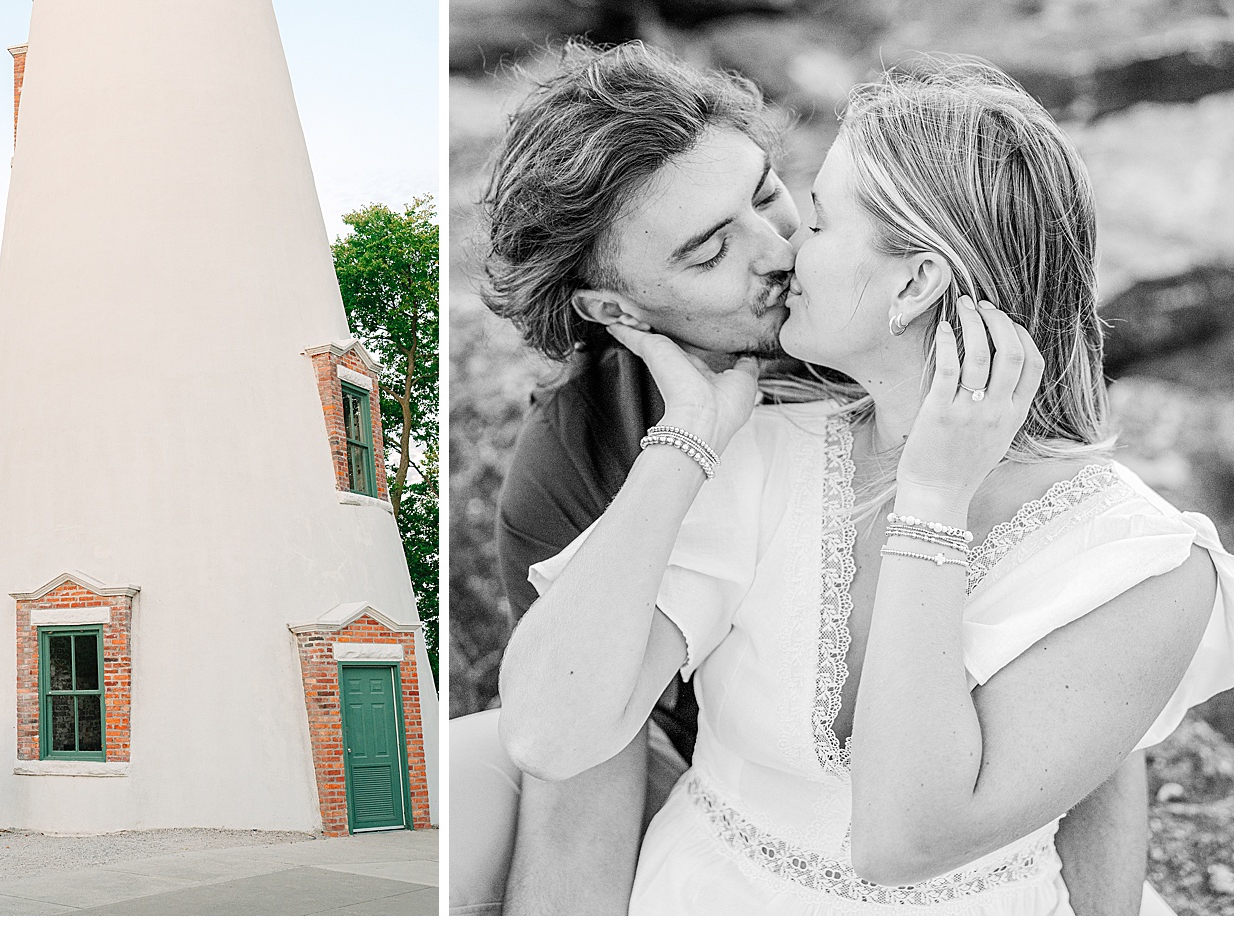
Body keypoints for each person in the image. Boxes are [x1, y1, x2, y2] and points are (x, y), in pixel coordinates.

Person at [494, 55, 1234, 913]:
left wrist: (931, 497)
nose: (780, 255)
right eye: (709, 251)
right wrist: (686, 439)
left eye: (793, 207)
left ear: (918, 279)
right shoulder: (680, 453)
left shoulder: (1143, 565)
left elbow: (1051, 769)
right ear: (621, 311)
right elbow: (561, 752)